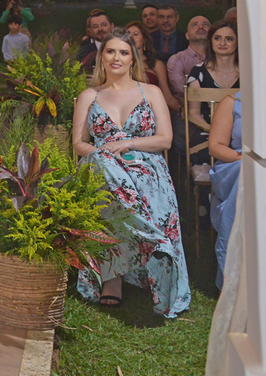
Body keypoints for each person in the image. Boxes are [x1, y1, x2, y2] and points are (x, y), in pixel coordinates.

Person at [71, 29, 189, 318]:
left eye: (123, 52)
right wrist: (106, 155)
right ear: (102, 57)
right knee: (105, 171)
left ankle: (140, 253)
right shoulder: (89, 95)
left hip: (146, 166)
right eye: (110, 51)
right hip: (103, 167)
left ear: (132, 58)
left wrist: (127, 144)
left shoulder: (150, 91)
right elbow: (78, 143)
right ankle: (120, 268)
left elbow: (165, 139)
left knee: (119, 177)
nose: (116, 57)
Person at [185, 19, 239, 154]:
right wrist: (217, 132)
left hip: (241, 131)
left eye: (229, 39)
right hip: (207, 131)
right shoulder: (198, 72)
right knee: (204, 148)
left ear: (238, 42)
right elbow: (193, 113)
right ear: (211, 42)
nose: (222, 43)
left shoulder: (249, 74)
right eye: (217, 38)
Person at [209, 92, 242, 289]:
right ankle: (233, 278)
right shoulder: (233, 101)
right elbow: (215, 146)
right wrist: (248, 160)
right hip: (236, 164)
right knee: (248, 175)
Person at [123, 22, 177, 115]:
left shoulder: (156, 65)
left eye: (135, 34)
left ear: (144, 39)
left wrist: (182, 109)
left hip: (151, 113)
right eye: (127, 34)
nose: (131, 37)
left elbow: (167, 96)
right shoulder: (119, 64)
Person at [167, 15, 211, 112]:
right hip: (186, 111)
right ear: (187, 35)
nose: (201, 27)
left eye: (205, 24)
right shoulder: (176, 59)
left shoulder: (218, 58)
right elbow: (183, 89)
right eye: (195, 25)